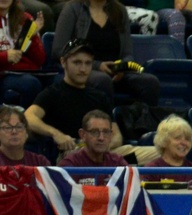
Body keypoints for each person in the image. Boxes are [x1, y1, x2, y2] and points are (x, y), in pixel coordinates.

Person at [25, 39, 155, 164]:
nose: (83, 69)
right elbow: (28, 117)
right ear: (63, 62)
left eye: (88, 63)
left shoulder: (100, 96)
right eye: (77, 63)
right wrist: (55, 134)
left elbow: (116, 136)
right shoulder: (52, 93)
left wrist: (102, 146)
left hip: (106, 154)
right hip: (72, 156)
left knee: (161, 153)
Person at [53, 0, 162, 107]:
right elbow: (59, 50)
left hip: (115, 71)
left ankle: (141, 122)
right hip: (83, 68)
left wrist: (121, 67)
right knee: (102, 80)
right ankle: (106, 123)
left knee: (150, 83)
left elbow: (127, 53)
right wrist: (97, 65)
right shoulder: (73, 9)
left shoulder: (120, 10)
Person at [57, 109, 128, 184]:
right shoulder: (70, 164)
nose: (101, 138)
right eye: (94, 132)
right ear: (83, 135)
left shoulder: (117, 162)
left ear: (111, 135)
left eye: (106, 132)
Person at [0, 0, 45, 109]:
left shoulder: (24, 19)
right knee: (30, 84)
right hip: (3, 74)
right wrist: (5, 57)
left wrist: (32, 36)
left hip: (26, 71)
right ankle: (25, 123)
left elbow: (40, 60)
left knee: (58, 81)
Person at [143, 114, 192, 187]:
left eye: (187, 139)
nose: (183, 143)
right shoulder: (151, 170)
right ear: (164, 141)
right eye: (177, 138)